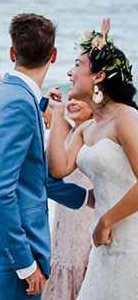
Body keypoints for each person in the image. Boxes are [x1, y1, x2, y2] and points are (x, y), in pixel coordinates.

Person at [0, 13, 89, 300]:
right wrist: (24, 264)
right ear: (54, 54)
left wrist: (86, 198)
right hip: (13, 258)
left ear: (13, 52)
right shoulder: (19, 105)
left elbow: (30, 177)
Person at [46, 19, 138, 300]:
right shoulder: (87, 127)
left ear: (98, 77)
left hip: (129, 240)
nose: (70, 72)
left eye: (77, 64)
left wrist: (106, 221)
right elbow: (57, 168)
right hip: (104, 246)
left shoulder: (127, 118)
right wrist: (59, 115)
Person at [43, 100, 93, 300]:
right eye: (70, 94)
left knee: (81, 268)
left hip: (86, 218)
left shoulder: (97, 134)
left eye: (79, 97)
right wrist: (53, 104)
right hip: (66, 219)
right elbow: (50, 113)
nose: (72, 102)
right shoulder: (69, 131)